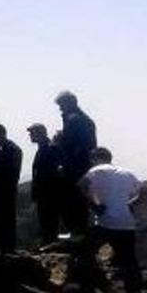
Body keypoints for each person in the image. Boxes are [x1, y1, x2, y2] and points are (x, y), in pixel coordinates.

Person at [68, 147, 147, 293]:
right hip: (126, 225)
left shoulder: (96, 170)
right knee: (130, 266)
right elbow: (146, 191)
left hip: (105, 223)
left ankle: (85, 289)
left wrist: (95, 205)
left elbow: (82, 185)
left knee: (84, 251)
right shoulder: (127, 173)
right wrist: (130, 205)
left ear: (95, 158)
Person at [55, 91, 97, 235]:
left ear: (70, 103)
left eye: (62, 105)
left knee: (75, 201)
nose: (60, 109)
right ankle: (77, 232)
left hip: (76, 168)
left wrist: (61, 141)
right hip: (79, 166)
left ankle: (78, 234)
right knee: (76, 202)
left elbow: (81, 145)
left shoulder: (76, 120)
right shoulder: (80, 119)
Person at [0, 123, 23, 254]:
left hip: (7, 190)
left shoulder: (13, 149)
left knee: (7, 218)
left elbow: (13, 172)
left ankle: (8, 247)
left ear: (1, 134)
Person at [27, 123, 64, 247]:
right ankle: (48, 242)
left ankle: (51, 243)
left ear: (40, 133)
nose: (30, 136)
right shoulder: (42, 148)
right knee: (45, 219)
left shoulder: (50, 148)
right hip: (43, 191)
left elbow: (54, 171)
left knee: (50, 219)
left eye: (32, 133)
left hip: (50, 191)